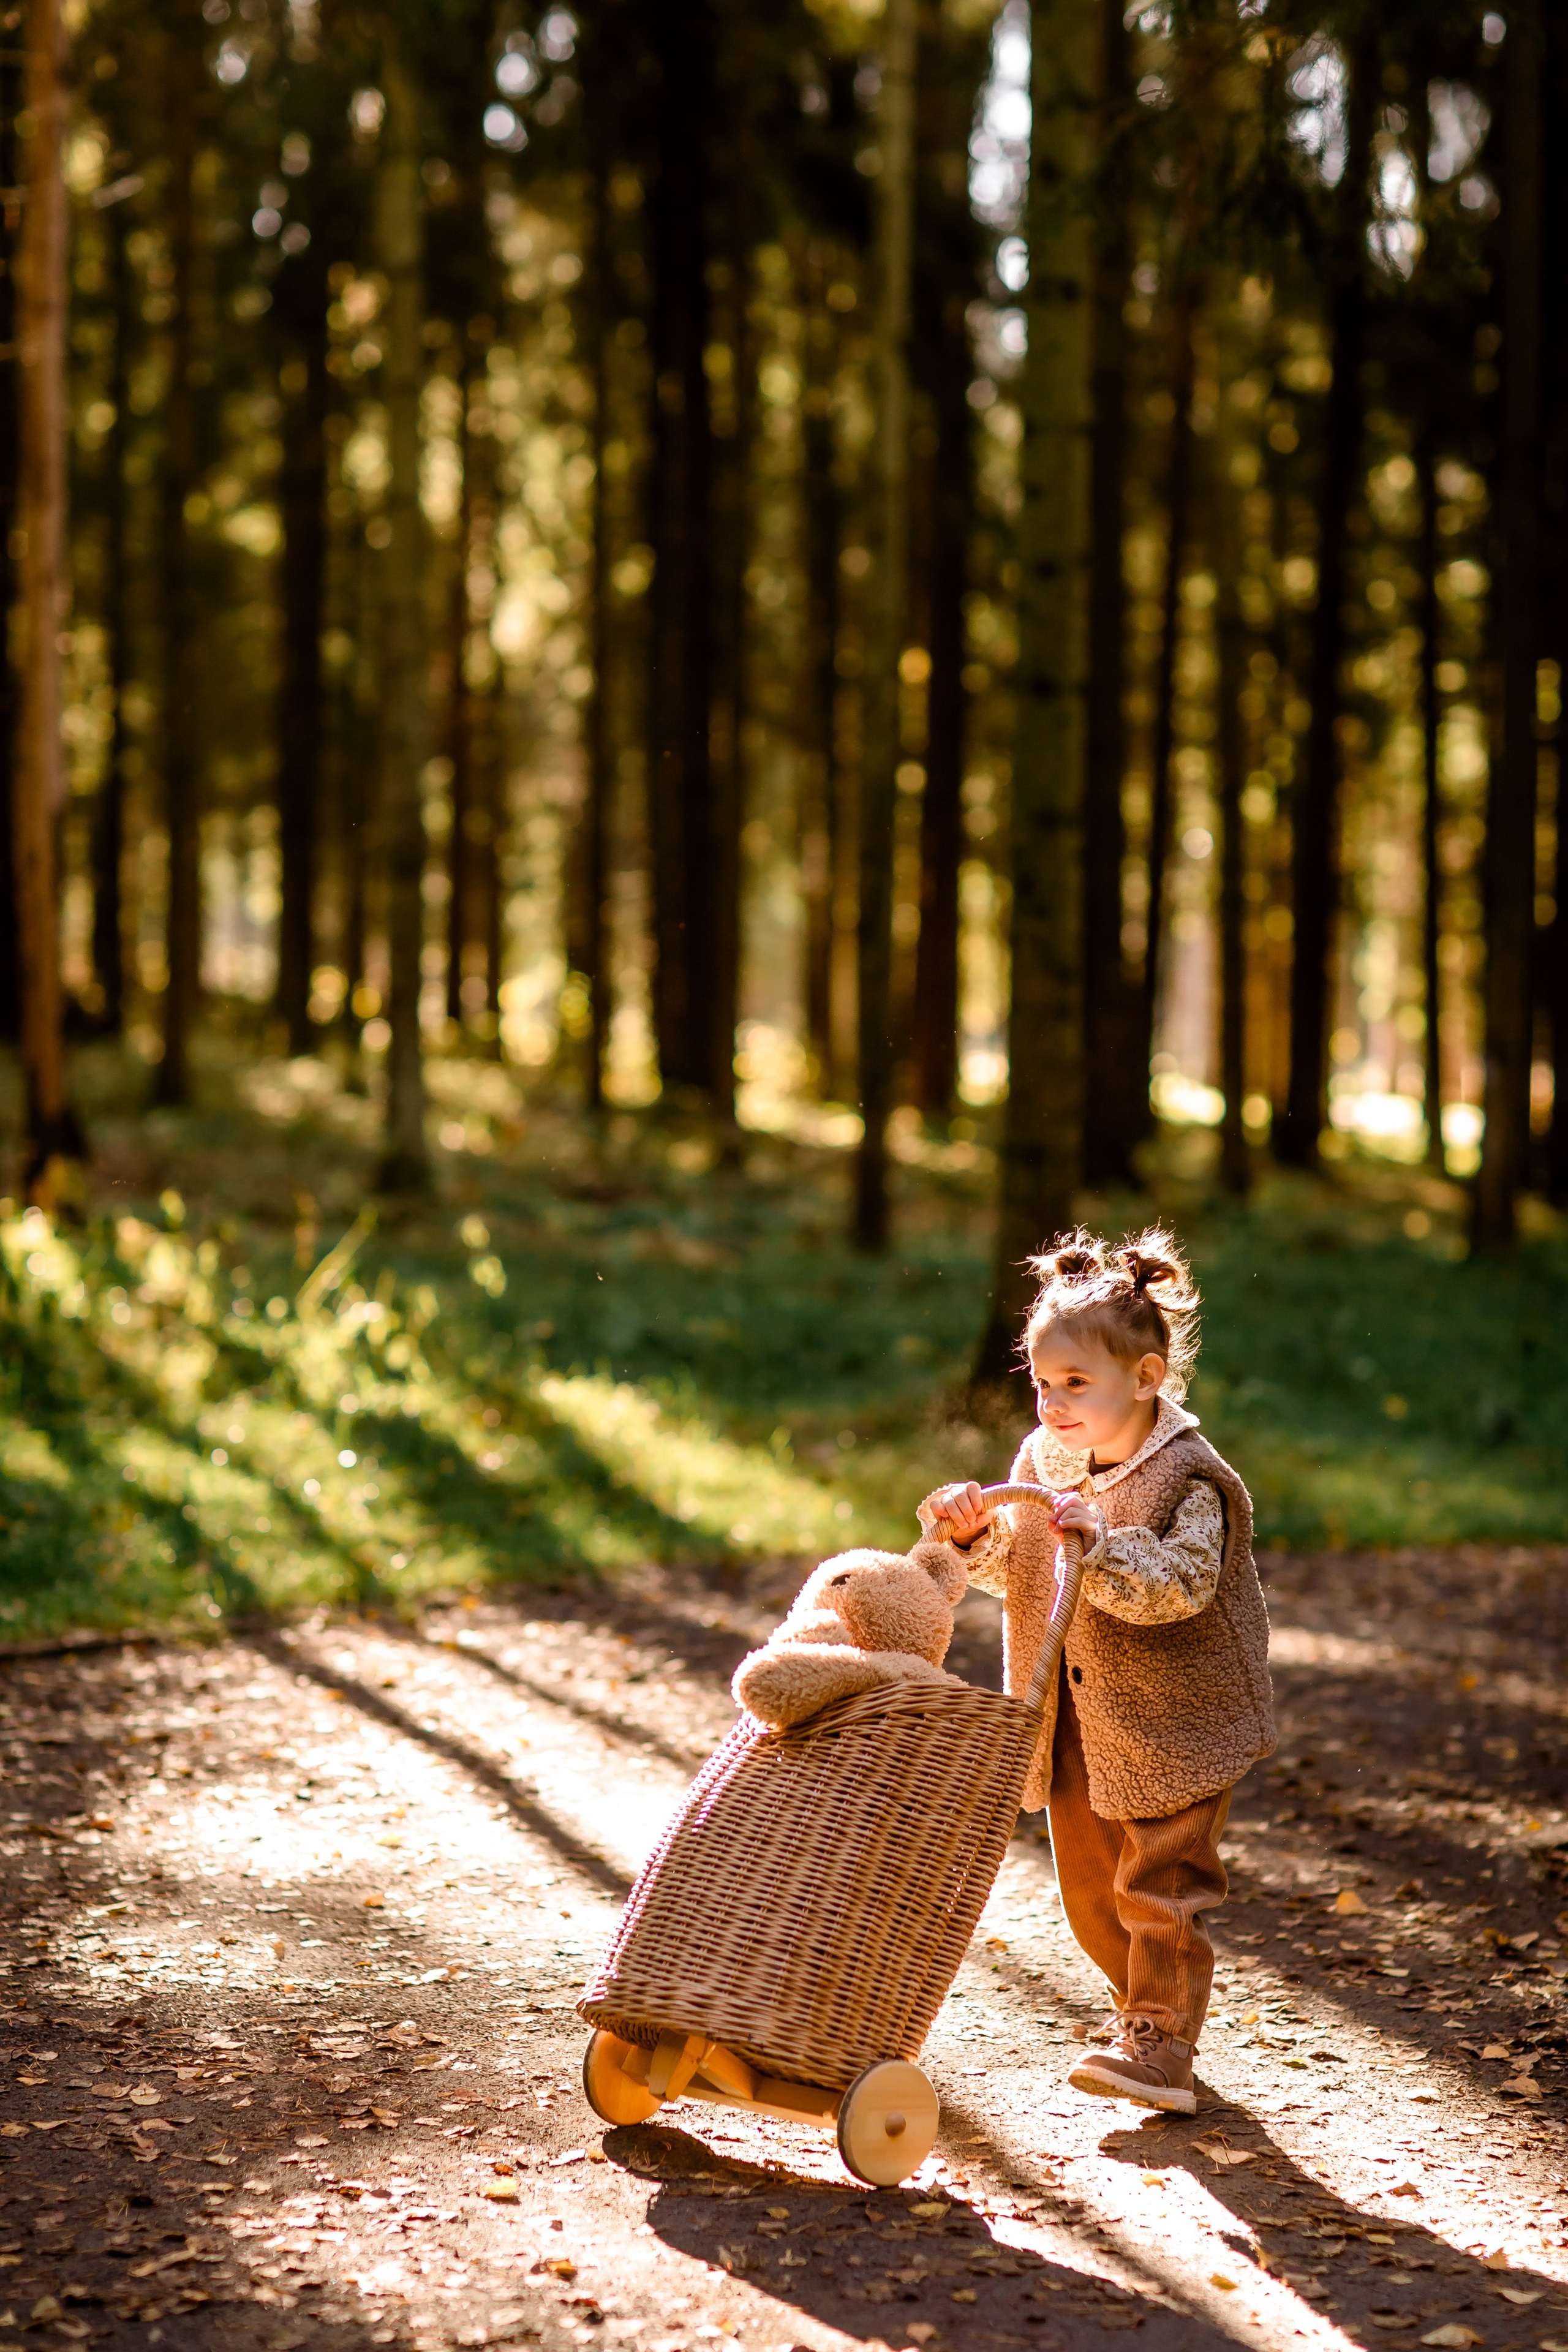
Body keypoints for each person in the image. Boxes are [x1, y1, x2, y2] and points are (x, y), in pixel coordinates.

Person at [918, 1227, 1273, 2114]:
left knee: (1163, 1884)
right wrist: (971, 1537)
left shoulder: (1191, 1479)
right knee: (1089, 1892)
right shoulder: (1046, 1462)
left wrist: (1105, 1546)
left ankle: (1159, 2038)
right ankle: (1147, 2021)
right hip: (1073, 1718)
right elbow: (1023, 1571)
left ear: (1147, 1378)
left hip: (1174, 1718)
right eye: (1043, 1382)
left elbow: (1183, 1588)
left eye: (1077, 1384)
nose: (1053, 1403)